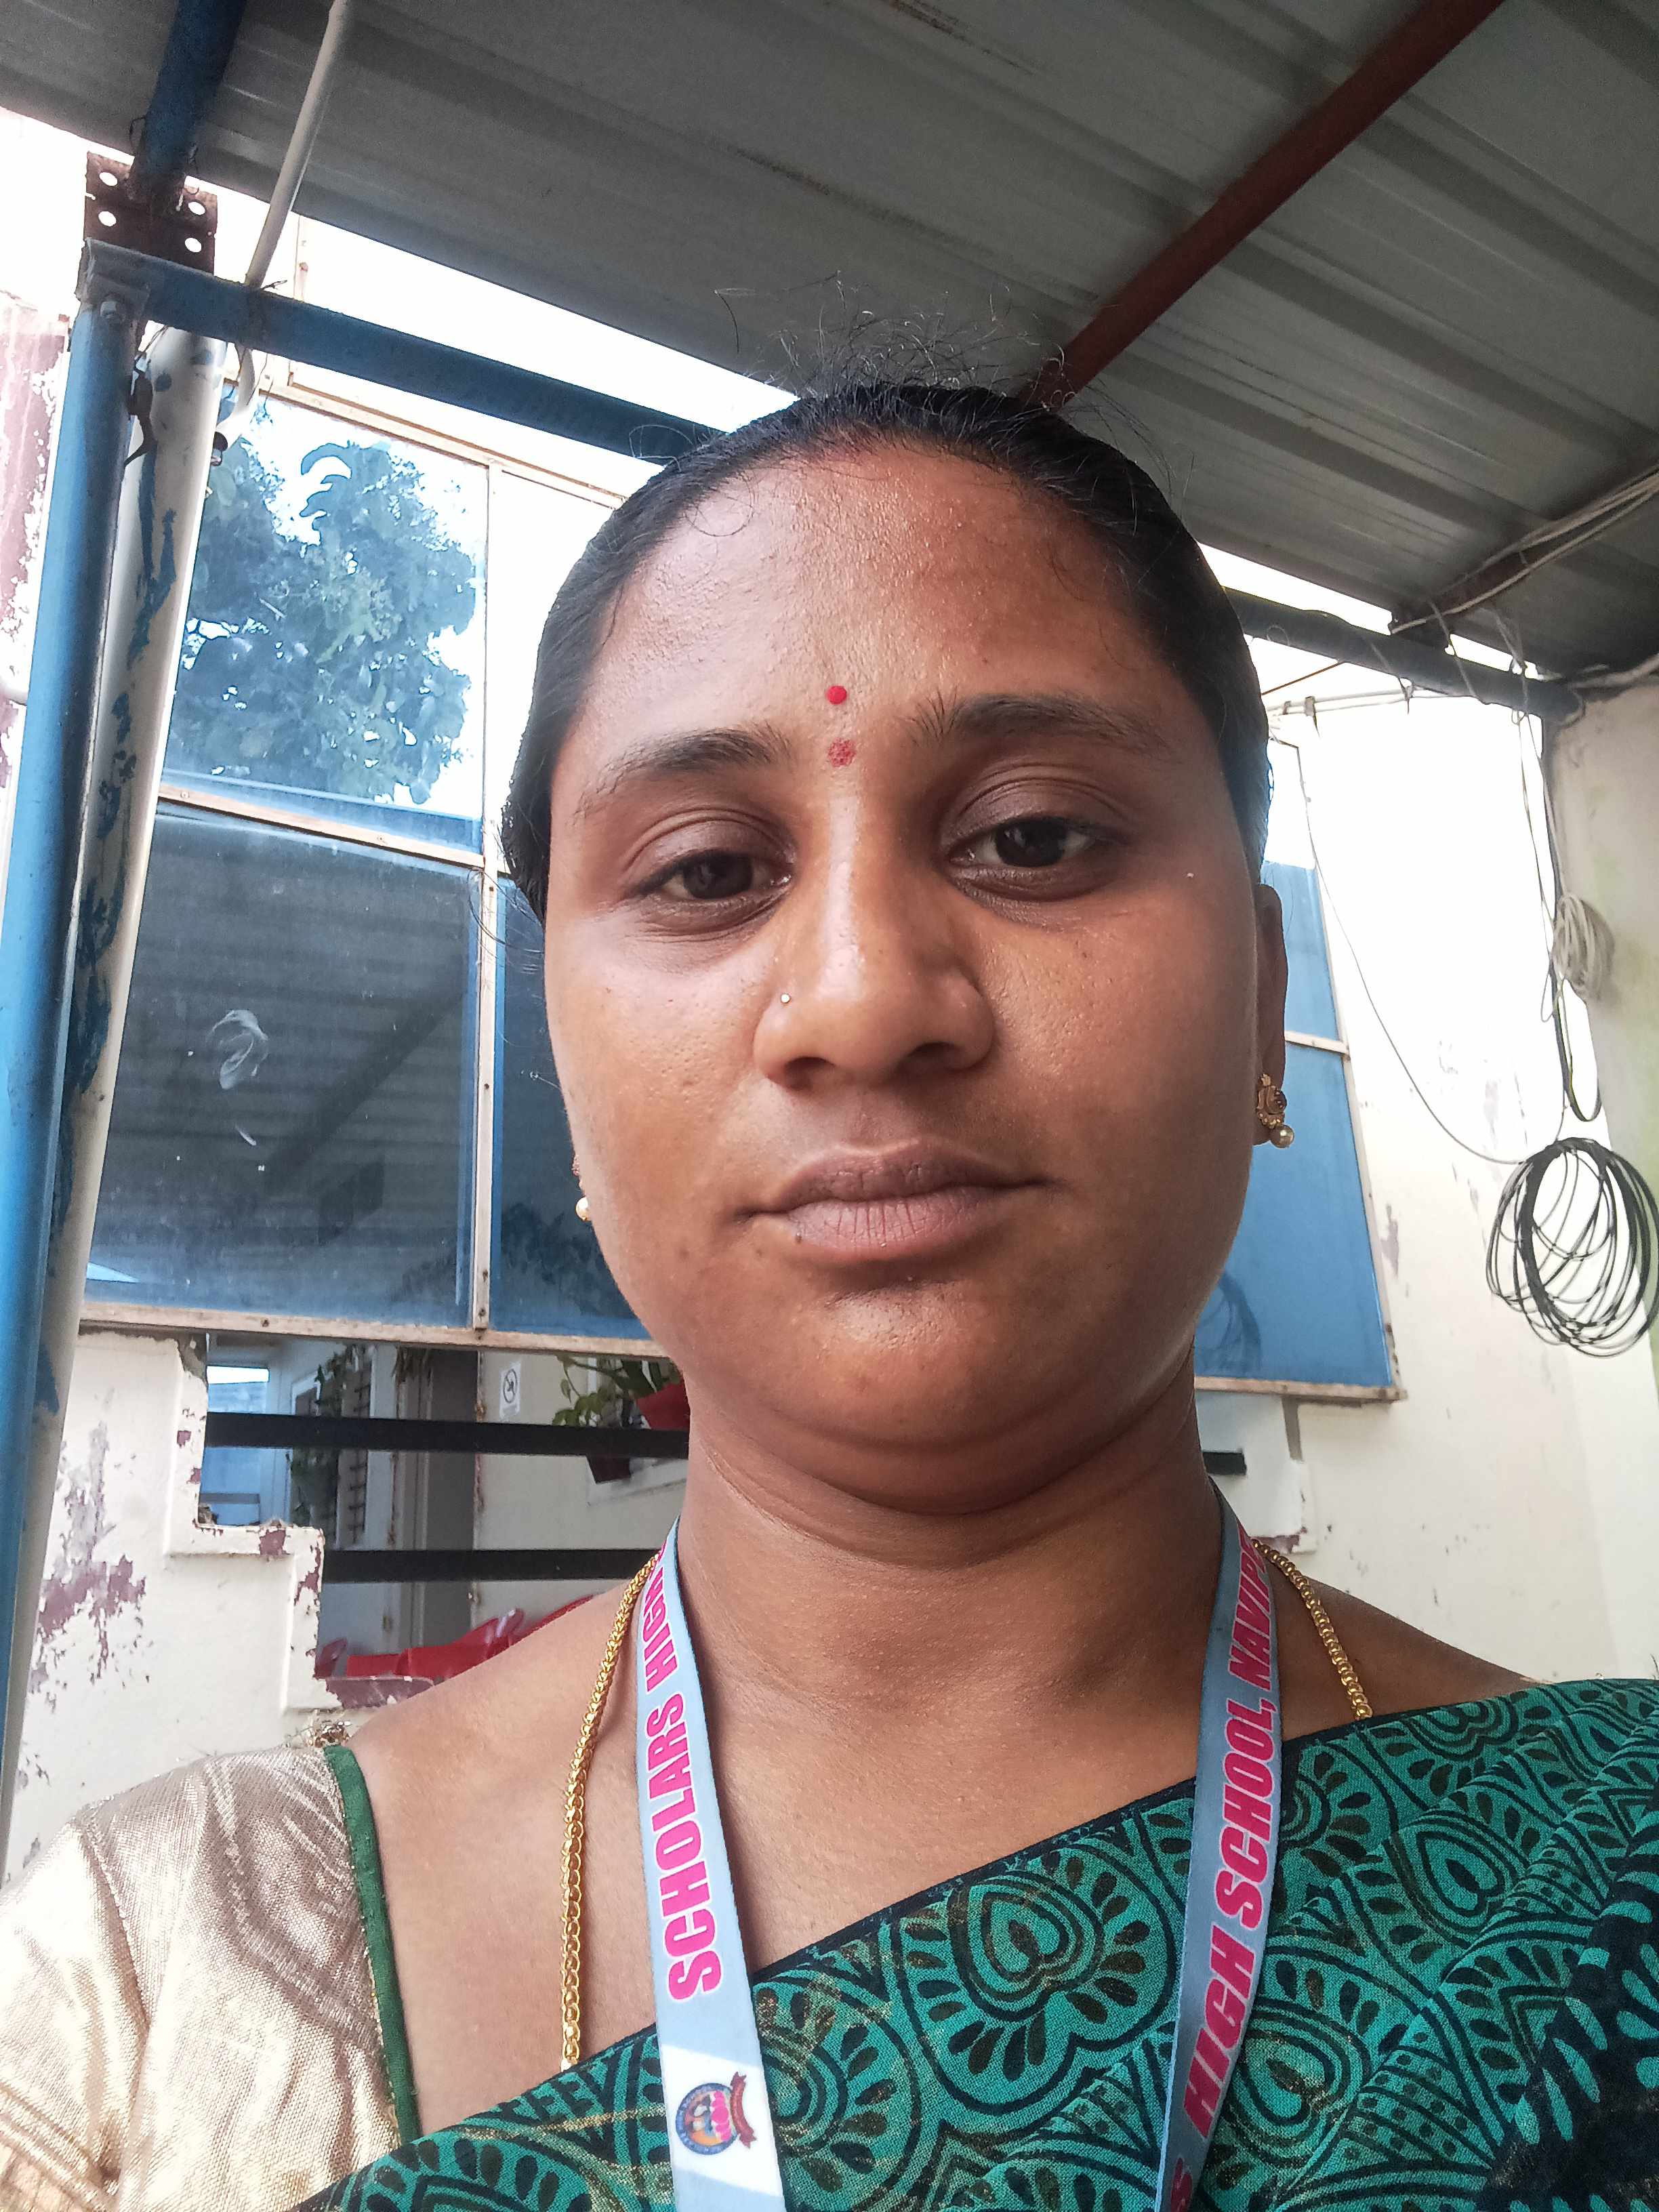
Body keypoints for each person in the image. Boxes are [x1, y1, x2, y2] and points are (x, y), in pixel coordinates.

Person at [3, 382, 1657, 2212]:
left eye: (1034, 837)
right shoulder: (137, 2002)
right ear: (559, 1040)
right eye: (708, 871)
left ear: (1264, 1000)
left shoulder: (1612, 1872)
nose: (865, 1001)